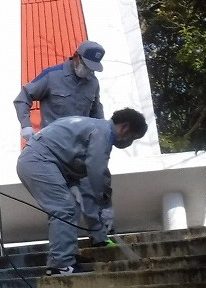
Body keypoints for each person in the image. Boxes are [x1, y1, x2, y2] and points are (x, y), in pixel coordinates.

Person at [16, 109, 148, 275]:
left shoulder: (95, 127)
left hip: (43, 162)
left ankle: (67, 257)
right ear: (125, 127)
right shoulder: (103, 132)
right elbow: (97, 170)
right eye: (133, 138)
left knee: (71, 207)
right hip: (38, 160)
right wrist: (105, 205)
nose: (129, 142)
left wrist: (73, 184)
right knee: (64, 208)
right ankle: (61, 265)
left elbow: (71, 157)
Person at [13, 39, 112, 245]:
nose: (88, 72)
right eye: (86, 66)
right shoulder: (52, 76)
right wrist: (26, 125)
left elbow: (96, 112)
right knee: (62, 204)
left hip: (81, 152)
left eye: (93, 68)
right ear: (76, 57)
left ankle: (101, 239)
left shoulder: (93, 83)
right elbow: (23, 98)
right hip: (53, 153)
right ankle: (66, 253)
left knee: (94, 190)